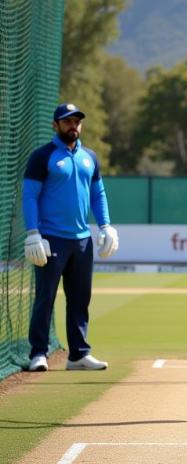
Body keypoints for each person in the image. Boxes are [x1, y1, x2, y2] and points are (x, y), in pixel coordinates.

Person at [22, 103, 119, 372]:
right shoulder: (43, 156)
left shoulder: (89, 157)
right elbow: (30, 196)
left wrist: (105, 226)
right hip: (51, 238)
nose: (73, 125)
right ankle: (38, 352)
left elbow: (98, 194)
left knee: (80, 298)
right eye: (67, 121)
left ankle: (78, 354)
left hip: (82, 240)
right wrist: (33, 233)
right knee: (45, 297)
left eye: (77, 121)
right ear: (56, 125)